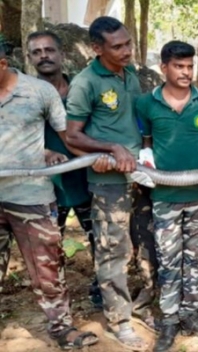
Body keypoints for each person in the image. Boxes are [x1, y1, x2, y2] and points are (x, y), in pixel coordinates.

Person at [0, 43, 99, 350]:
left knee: (46, 267)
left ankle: (61, 327)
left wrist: (104, 156)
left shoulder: (39, 91)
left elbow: (69, 136)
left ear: (2, 64)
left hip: (31, 195)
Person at [65, 16, 155, 351]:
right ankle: (120, 322)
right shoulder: (85, 82)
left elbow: (131, 123)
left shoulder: (129, 75)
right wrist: (109, 148)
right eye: (117, 46)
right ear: (97, 48)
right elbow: (73, 135)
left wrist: (143, 149)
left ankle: (139, 306)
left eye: (128, 43)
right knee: (112, 252)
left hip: (139, 177)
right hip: (107, 182)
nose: (127, 50)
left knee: (143, 244)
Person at [134, 41, 198, 352]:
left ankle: (190, 313)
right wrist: (146, 170)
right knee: (169, 261)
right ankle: (169, 320)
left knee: (195, 259)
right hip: (165, 197)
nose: (186, 72)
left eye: (189, 66)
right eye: (179, 66)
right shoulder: (146, 103)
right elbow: (145, 143)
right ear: (164, 68)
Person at [25, 29, 102, 309]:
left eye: (49, 50)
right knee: (48, 248)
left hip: (86, 180)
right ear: (30, 58)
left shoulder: (82, 90)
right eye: (37, 52)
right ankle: (58, 303)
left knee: (100, 240)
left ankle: (101, 291)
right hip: (46, 188)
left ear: (61, 54)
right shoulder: (25, 95)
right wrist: (43, 152)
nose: (44, 56)